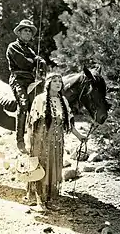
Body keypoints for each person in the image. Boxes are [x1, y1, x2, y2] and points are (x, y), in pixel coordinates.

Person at [26, 73, 87, 211]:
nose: (58, 83)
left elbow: (68, 124)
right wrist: (30, 143)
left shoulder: (63, 101)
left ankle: (51, 200)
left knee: (54, 169)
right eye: (54, 81)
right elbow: (31, 123)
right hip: (41, 141)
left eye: (60, 81)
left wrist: (80, 136)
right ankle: (39, 200)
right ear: (48, 84)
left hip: (56, 142)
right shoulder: (40, 99)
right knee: (41, 168)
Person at [6, 19, 47, 154]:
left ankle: (38, 139)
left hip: (30, 80)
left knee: (40, 105)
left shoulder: (30, 50)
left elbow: (39, 61)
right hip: (18, 79)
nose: (28, 33)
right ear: (19, 33)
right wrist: (34, 61)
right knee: (23, 104)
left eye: (30, 31)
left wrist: (40, 61)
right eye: (25, 30)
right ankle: (20, 140)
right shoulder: (13, 47)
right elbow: (23, 63)